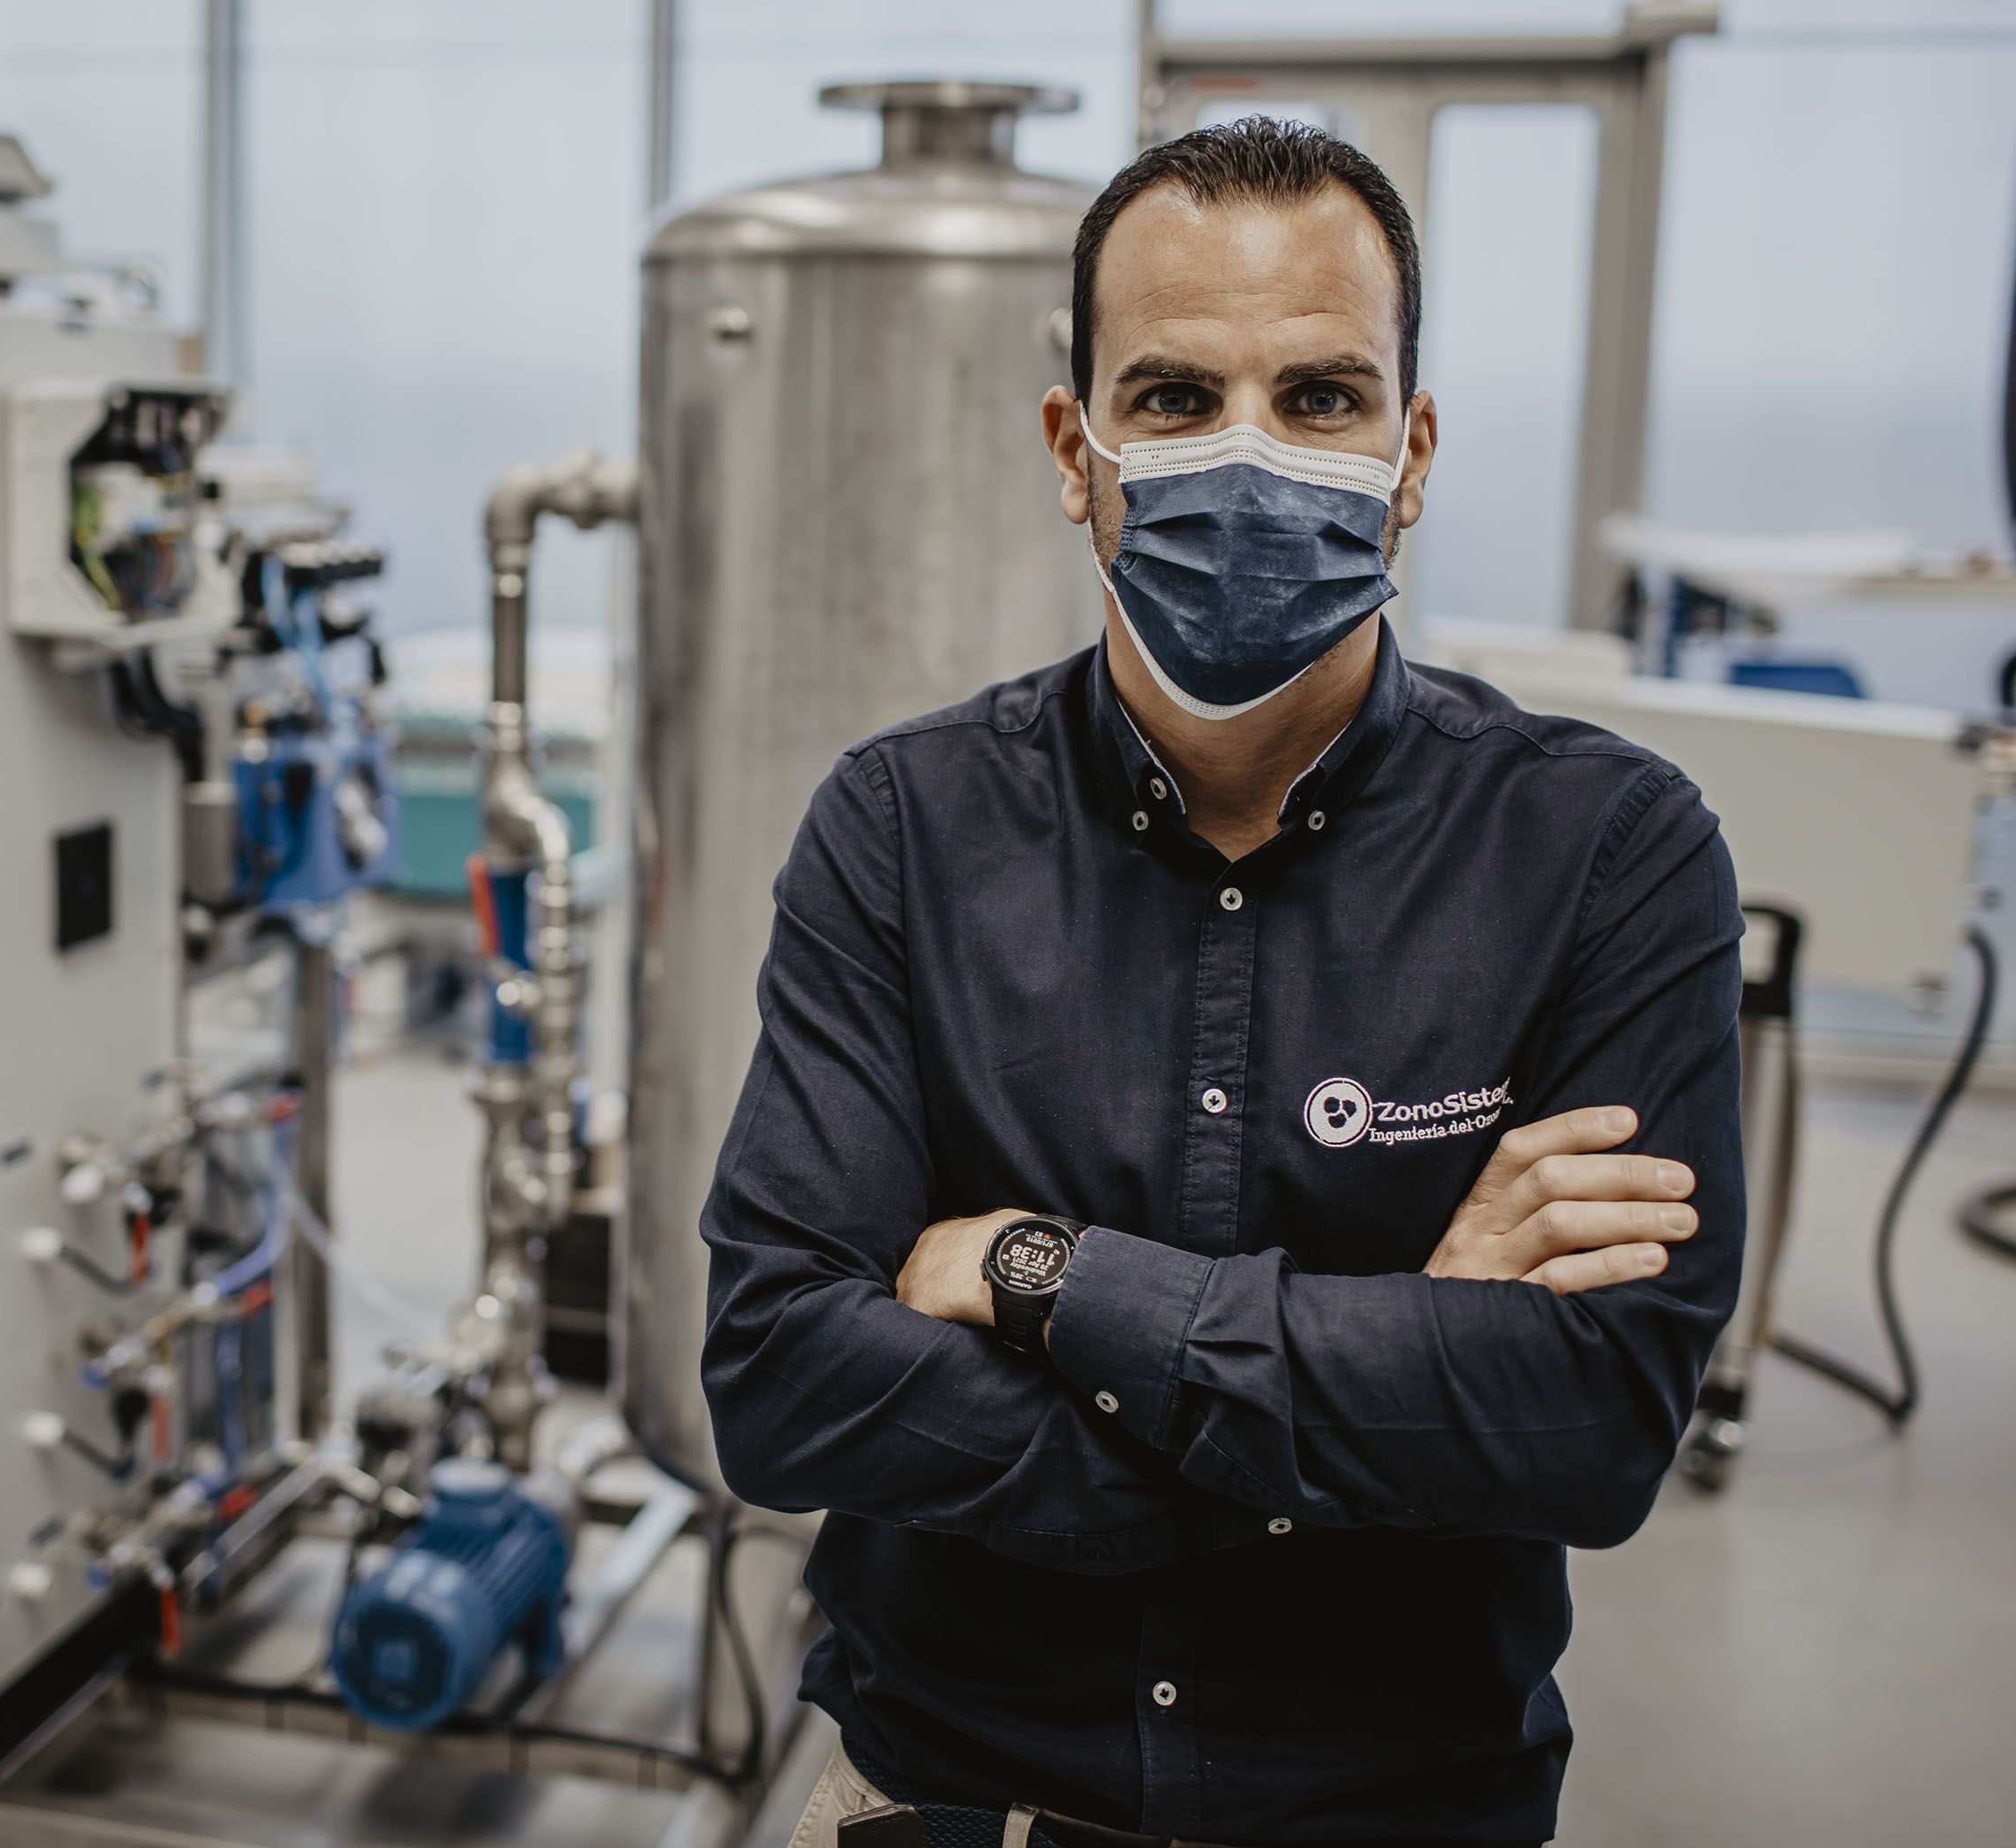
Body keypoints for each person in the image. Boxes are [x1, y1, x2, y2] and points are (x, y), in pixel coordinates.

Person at [701, 117, 1745, 1848]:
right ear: (1074, 443)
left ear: (1411, 449)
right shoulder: (904, 825)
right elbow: (783, 1375)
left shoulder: (1605, 851)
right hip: (943, 1795)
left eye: (1323, 398)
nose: (1249, 460)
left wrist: (1044, 1277)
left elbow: (1589, 1418)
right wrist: (1384, 1366)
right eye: (1177, 398)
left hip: (1394, 1809)